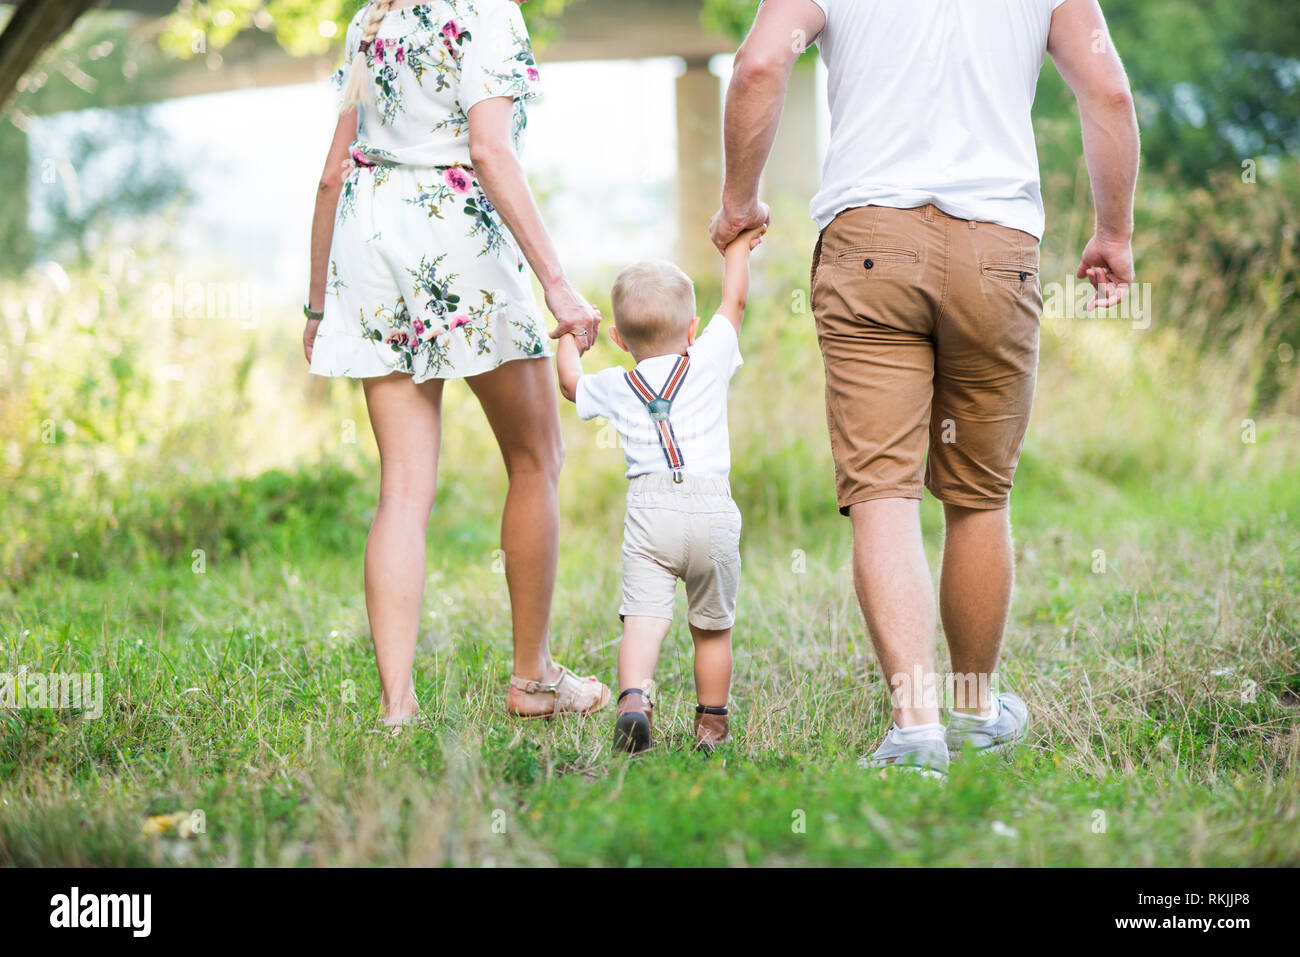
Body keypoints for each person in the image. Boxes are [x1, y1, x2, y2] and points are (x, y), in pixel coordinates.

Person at [710, 0, 1140, 775]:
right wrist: (1113, 232)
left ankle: (916, 732)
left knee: (883, 491)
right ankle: (975, 711)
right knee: (978, 494)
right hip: (997, 247)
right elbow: (1106, 91)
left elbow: (759, 65)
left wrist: (739, 201)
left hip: (870, 239)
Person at [303, 0, 611, 728]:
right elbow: (491, 152)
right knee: (536, 459)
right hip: (459, 238)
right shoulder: (486, 13)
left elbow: (328, 176)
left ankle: (397, 705)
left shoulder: (370, 19)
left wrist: (318, 306)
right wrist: (557, 285)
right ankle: (532, 679)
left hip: (373, 242)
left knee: (402, 490)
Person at [554, 227, 767, 753]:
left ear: (620, 341)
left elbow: (569, 384)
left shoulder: (616, 383)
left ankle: (632, 701)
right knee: (712, 630)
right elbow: (736, 298)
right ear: (693, 327)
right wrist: (737, 246)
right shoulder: (710, 356)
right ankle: (711, 727)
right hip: (713, 509)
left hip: (651, 515)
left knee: (643, 624)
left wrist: (567, 335)